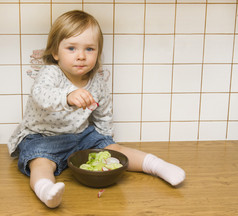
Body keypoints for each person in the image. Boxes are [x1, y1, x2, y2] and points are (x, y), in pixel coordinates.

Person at [8, 10, 185, 208]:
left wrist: (106, 139)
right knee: (40, 162)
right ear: (56, 52)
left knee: (115, 150)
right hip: (43, 136)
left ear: (98, 52)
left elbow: (103, 113)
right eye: (72, 48)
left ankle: (157, 166)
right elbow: (40, 95)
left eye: (89, 49)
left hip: (81, 135)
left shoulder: (97, 82)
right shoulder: (51, 73)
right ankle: (46, 190)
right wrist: (68, 97)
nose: (81, 56)